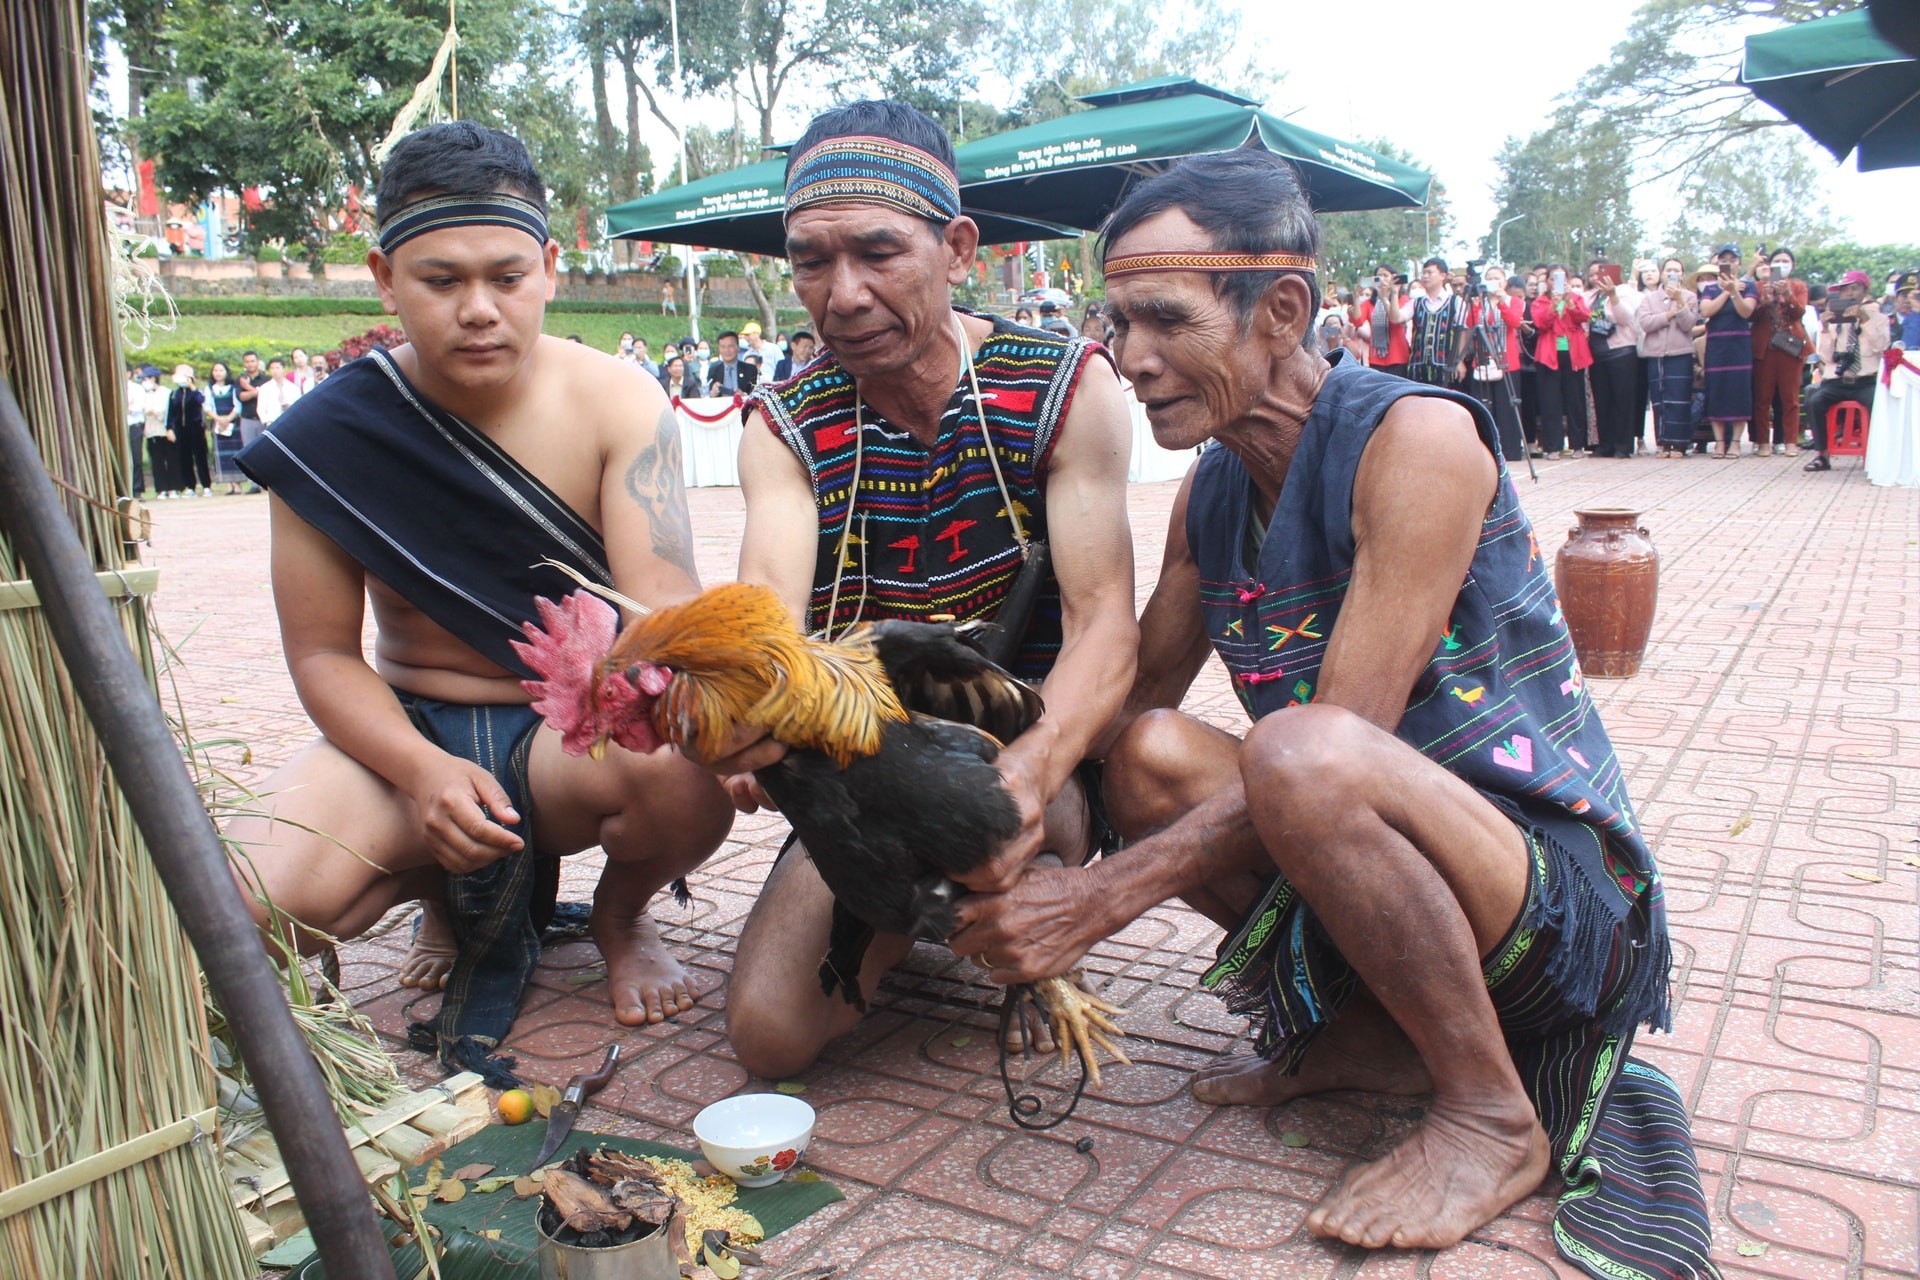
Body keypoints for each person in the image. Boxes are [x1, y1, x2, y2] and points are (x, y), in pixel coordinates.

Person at [950, 148, 1711, 1280]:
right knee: (1144, 754)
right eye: (1116, 322)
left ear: (1284, 309)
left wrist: (1093, 900)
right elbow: (1125, 702)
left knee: (1298, 747)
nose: (1132, 359)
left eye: (1162, 318)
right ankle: (1377, 1034)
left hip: (1550, 896)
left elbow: (1337, 743)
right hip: (1381, 856)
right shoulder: (1213, 491)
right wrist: (975, 784)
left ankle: (1492, 1111)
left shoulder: (1416, 441)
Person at [228, 121, 732, 1082]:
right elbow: (324, 656)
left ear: (549, 266)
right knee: (249, 905)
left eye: (506, 277)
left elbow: (657, 610)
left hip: (565, 743)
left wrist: (710, 712)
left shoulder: (619, 401)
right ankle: (437, 888)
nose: (478, 310)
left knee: (684, 770)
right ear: (384, 278)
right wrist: (421, 773)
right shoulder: (327, 437)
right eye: (440, 280)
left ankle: (622, 918)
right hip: (406, 724)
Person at [714, 100, 1138, 1080]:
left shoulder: (1064, 387)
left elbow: (1103, 627)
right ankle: (925, 911)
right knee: (768, 1033)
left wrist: (1026, 778)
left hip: (1032, 754)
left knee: (1026, 819)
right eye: (811, 260)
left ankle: (1032, 924)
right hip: (867, 773)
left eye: (877, 251)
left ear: (957, 249)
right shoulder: (784, 424)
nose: (843, 291)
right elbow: (767, 620)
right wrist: (748, 712)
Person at [1803, 270, 1890, 472]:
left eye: (1854, 288)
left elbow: (1881, 347)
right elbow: (1825, 356)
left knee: (1877, 405)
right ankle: (1822, 455)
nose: (1849, 294)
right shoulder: (1834, 321)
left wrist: (1864, 320)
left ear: (1865, 291)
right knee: (1815, 401)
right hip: (1837, 380)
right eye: (1845, 290)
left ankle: (1875, 455)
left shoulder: (1879, 319)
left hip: (1865, 380)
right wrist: (1825, 328)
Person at [1748, 248, 1809, 458]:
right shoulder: (1757, 286)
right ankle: (1763, 441)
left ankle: (1790, 441)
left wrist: (1787, 294)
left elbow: (1799, 312)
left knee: (1790, 398)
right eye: (1777, 261)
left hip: (1790, 346)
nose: (1781, 264)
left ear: (1792, 265)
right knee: (1762, 398)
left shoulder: (1798, 286)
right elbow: (1750, 315)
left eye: (1786, 261)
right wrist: (1764, 299)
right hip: (1765, 346)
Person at [1698, 243, 1757, 457]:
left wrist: (1735, 293)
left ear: (1739, 263)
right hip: (1716, 348)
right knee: (1717, 392)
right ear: (1717, 262)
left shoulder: (1748, 287)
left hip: (1739, 347)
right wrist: (1726, 291)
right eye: (1724, 259)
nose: (1728, 263)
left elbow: (1746, 312)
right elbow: (1707, 310)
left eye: (1733, 259)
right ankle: (1720, 442)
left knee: (1738, 392)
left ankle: (1735, 442)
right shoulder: (1710, 289)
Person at [1638, 260, 1700, 458]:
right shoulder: (1650, 298)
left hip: (1679, 353)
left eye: (1676, 270)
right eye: (1668, 270)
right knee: (1659, 400)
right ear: (1662, 274)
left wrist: (1679, 303)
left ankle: (1680, 444)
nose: (1671, 273)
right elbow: (1646, 323)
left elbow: (1688, 324)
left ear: (1682, 274)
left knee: (1679, 399)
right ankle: (1663, 443)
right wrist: (1668, 314)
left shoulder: (1690, 297)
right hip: (1655, 354)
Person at [1529, 264, 1592, 457]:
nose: (1556, 282)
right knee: (1550, 402)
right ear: (1546, 282)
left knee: (1575, 400)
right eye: (1552, 278)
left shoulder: (1576, 298)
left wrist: (1569, 301)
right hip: (1549, 355)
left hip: (1573, 353)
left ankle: (1578, 444)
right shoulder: (1540, 302)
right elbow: (1541, 323)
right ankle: (1553, 446)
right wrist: (1554, 305)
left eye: (1561, 278)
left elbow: (1584, 316)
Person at [1585, 261, 1641, 458]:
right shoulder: (1590, 296)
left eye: (1599, 273)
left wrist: (1613, 295)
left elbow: (1625, 318)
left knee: (1622, 401)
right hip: (1596, 354)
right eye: (1591, 274)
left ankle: (1623, 445)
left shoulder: (1625, 291)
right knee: (1602, 401)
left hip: (1621, 352)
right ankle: (1605, 443)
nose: (1595, 278)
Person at [1408, 258, 1468, 388]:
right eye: (1424, 273)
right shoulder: (1416, 302)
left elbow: (1462, 332)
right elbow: (1396, 318)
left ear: (1442, 276)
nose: (1425, 276)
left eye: (1430, 273)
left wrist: (1459, 360)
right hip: (1419, 366)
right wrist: (1390, 295)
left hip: (1446, 366)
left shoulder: (1456, 302)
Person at [1349, 266, 1411, 378]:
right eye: (1378, 276)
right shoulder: (1369, 303)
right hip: (1376, 357)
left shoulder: (1403, 299)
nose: (1382, 279)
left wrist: (1384, 298)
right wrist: (1356, 298)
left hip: (1398, 356)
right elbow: (1358, 321)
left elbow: (1396, 319)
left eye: (1385, 275)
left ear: (1394, 278)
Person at [167, 364, 212, 497]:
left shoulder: (196, 392)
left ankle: (206, 485)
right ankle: (190, 486)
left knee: (200, 457)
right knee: (184, 458)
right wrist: (169, 428)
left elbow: (201, 401)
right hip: (181, 429)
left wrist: (192, 387)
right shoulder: (175, 394)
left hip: (196, 429)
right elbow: (171, 412)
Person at [207, 360, 245, 493]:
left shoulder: (233, 388)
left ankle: (238, 483)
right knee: (221, 455)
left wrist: (228, 419)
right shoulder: (210, 389)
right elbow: (208, 407)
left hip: (233, 424)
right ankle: (228, 483)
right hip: (218, 425)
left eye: (221, 370)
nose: (218, 373)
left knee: (235, 452)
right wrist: (219, 419)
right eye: (215, 370)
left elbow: (238, 406)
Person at [140, 366, 177, 499]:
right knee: (157, 462)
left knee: (171, 460)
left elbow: (168, 411)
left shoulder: (166, 393)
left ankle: (174, 488)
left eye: (146, 378)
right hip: (151, 431)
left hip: (164, 430)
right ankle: (161, 489)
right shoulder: (145, 395)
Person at [234, 349, 268, 451]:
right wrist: (257, 391)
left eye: (252, 361)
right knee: (248, 451)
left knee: (265, 449)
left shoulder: (266, 379)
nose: (250, 364)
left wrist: (247, 387)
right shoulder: (241, 379)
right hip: (247, 420)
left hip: (263, 420)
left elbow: (266, 396)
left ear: (258, 362)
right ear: (244, 363)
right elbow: (242, 397)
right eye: (247, 362)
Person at [705, 330, 757, 397]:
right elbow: (708, 395)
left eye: (730, 346)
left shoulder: (750, 370)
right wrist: (713, 394)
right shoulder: (713, 370)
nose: (727, 350)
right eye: (723, 347)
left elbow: (756, 395)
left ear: (738, 348)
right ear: (719, 350)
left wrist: (744, 396)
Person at [124, 364, 147, 496]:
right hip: (122, 426)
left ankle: (137, 489)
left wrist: (128, 408)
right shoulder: (114, 388)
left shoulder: (137, 389)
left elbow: (139, 406)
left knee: (136, 458)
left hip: (135, 427)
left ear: (129, 373)